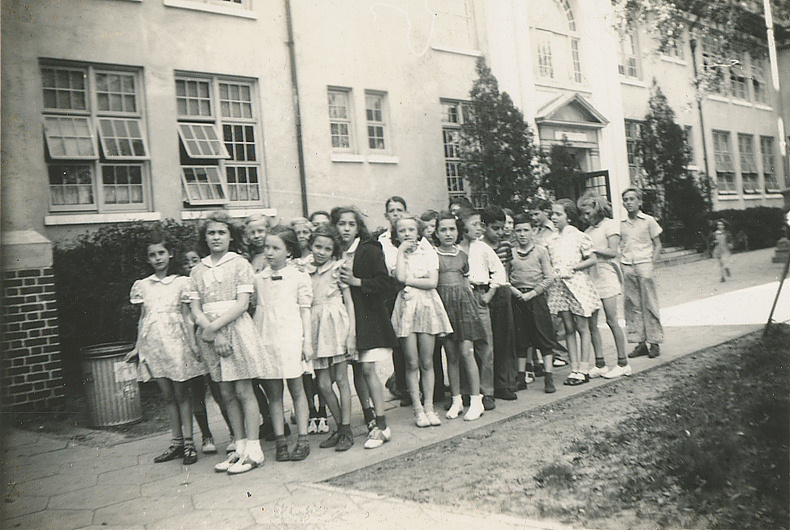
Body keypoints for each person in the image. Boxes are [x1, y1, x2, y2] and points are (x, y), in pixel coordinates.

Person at [188, 211, 266, 474]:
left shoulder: (240, 264)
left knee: (244, 390)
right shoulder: (197, 270)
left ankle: (254, 449)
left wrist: (215, 329)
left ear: (231, 236)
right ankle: (240, 447)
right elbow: (195, 308)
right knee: (226, 393)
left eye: (221, 232)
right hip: (211, 335)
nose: (216, 237)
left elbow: (243, 304)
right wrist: (210, 330)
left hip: (236, 331)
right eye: (211, 233)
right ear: (205, 238)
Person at [129, 232, 205, 465]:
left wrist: (192, 345)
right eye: (152, 255)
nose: (157, 258)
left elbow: (187, 316)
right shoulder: (143, 285)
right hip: (155, 346)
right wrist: (137, 347)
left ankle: (190, 443)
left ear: (170, 254)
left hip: (176, 345)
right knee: (168, 396)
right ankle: (176, 443)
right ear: (148, 259)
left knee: (182, 395)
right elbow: (144, 318)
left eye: (161, 253)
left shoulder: (182, 282)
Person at [334, 206, 401, 449]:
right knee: (357, 370)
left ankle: (382, 425)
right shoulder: (334, 251)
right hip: (343, 318)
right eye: (342, 224)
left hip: (368, 316)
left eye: (351, 224)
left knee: (369, 369)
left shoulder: (369, 249)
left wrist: (356, 281)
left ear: (358, 227)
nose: (346, 229)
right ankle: (369, 415)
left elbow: (385, 282)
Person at [254, 226, 314, 462]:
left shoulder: (299, 277)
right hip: (267, 339)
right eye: (266, 247)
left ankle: (303, 438)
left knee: (297, 390)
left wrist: (306, 343)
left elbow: (305, 312)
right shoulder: (259, 279)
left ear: (289, 251)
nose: (269, 252)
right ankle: (280, 440)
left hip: (291, 339)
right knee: (274, 394)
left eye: (275, 248)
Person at [391, 215, 453, 427]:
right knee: (411, 362)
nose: (407, 234)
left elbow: (432, 282)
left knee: (427, 361)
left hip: (426, 306)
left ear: (418, 232)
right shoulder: (395, 254)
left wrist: (408, 282)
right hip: (407, 307)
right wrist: (400, 252)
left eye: (411, 229)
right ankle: (417, 410)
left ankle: (429, 407)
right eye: (402, 231)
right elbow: (398, 275)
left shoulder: (429, 252)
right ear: (397, 234)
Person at [308, 225, 356, 452]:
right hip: (317, 327)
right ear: (310, 246)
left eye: (327, 248)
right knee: (323, 384)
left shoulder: (338, 268)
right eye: (318, 246)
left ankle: (346, 429)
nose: (321, 252)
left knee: (342, 379)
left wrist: (352, 333)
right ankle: (339, 426)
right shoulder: (304, 270)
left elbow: (349, 302)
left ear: (333, 251)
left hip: (337, 325)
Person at [434, 211, 486, 420]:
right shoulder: (433, 255)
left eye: (451, 229)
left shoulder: (462, 255)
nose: (448, 233)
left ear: (457, 231)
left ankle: (476, 400)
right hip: (444, 308)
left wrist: (471, 307)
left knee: (466, 352)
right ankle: (456, 400)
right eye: (443, 230)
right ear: (436, 233)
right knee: (451, 355)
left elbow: (466, 283)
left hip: (463, 307)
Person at [508, 214, 566, 393]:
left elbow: (549, 277)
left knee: (543, 336)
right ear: (514, 233)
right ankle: (521, 378)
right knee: (521, 338)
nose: (522, 234)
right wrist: (516, 292)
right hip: (517, 298)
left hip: (537, 298)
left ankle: (548, 378)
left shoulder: (541, 251)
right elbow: (504, 277)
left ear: (533, 231)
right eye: (518, 231)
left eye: (526, 230)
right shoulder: (510, 252)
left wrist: (533, 293)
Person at [546, 199, 601, 386]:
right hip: (560, 287)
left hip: (577, 285)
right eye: (552, 214)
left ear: (568, 217)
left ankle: (584, 368)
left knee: (582, 326)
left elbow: (592, 259)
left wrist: (574, 267)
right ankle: (574, 368)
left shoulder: (578, 236)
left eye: (558, 214)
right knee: (568, 328)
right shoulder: (551, 239)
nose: (553, 217)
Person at [183, 249, 232, 455]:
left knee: (219, 388)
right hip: (192, 340)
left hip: (210, 336)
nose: (191, 264)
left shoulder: (206, 279)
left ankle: (233, 433)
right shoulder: (185, 285)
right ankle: (206, 435)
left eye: (195, 260)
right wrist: (192, 344)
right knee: (196, 392)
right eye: (186, 262)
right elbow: (187, 316)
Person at [578, 194, 631, 379]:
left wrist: (593, 251)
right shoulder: (587, 231)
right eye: (583, 214)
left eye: (587, 213)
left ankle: (623, 363)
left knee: (611, 319)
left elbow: (612, 251)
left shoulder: (610, 224)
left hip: (607, 276)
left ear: (597, 208)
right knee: (592, 323)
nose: (585, 217)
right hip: (591, 278)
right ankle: (600, 364)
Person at [457, 207, 503, 411]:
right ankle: (466, 391)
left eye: (481, 224)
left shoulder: (483, 248)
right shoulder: (456, 248)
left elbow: (499, 271)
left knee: (485, 344)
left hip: (479, 295)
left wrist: (489, 294)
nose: (479, 228)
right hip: (459, 299)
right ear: (463, 226)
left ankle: (487, 392)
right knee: (463, 346)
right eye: (475, 224)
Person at [290, 217, 328, 434]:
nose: (302, 236)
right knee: (304, 369)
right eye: (298, 233)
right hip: (299, 317)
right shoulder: (292, 262)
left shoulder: (318, 258)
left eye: (306, 232)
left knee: (320, 367)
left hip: (317, 316)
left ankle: (322, 410)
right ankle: (310, 410)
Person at [620, 188, 664, 359]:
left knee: (650, 304)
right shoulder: (622, 223)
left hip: (644, 264)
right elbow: (621, 245)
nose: (629, 202)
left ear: (640, 201)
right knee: (633, 305)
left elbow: (658, 244)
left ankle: (654, 342)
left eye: (632, 199)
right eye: (625, 199)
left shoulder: (648, 221)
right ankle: (640, 343)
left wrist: (651, 262)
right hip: (628, 266)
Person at [480, 206, 518, 401]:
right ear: (484, 226)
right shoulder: (478, 247)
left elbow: (506, 271)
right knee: (487, 342)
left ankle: (502, 384)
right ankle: (486, 388)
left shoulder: (504, 246)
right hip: (484, 293)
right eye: (495, 228)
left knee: (504, 339)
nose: (500, 233)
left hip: (502, 293)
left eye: (502, 228)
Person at [378, 197, 409, 406]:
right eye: (392, 210)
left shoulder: (414, 234)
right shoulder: (383, 240)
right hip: (393, 291)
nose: (396, 214)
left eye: (400, 210)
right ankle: (404, 388)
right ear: (386, 215)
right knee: (398, 341)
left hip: (414, 288)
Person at [420, 208, 447, 403]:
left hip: (445, 297)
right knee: (431, 350)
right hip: (428, 300)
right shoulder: (421, 247)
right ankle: (435, 390)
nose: (430, 230)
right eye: (427, 226)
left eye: (433, 226)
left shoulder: (440, 248)